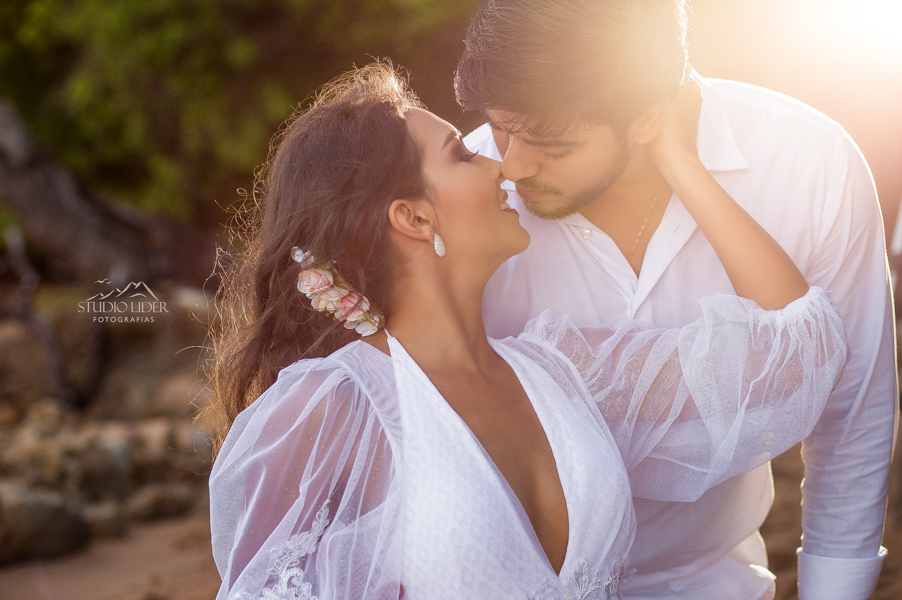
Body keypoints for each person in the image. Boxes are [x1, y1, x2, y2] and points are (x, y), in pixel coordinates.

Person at [207, 62, 848, 600]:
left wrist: (678, 159)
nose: (500, 168)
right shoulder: (331, 407)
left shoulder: (565, 372)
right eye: (462, 154)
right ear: (412, 217)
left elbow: (794, 355)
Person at [455, 1, 897, 599]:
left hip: (719, 584)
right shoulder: (465, 191)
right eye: (501, 126)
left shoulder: (810, 165)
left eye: (552, 147)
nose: (511, 165)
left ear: (646, 117)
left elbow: (852, 413)